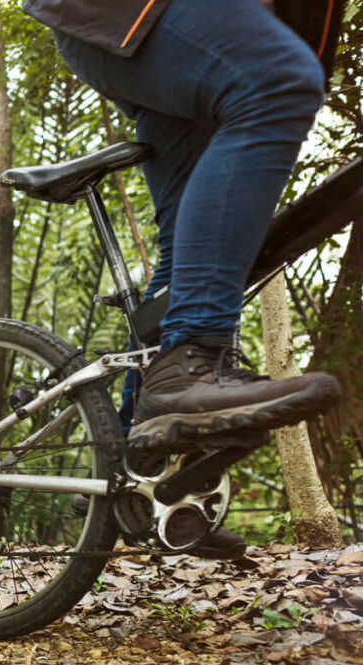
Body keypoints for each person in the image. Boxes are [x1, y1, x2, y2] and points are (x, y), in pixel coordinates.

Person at [23, 0, 343, 557]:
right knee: (278, 82)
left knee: (188, 261)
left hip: (162, 21)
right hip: (131, 13)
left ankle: (130, 470)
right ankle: (186, 362)